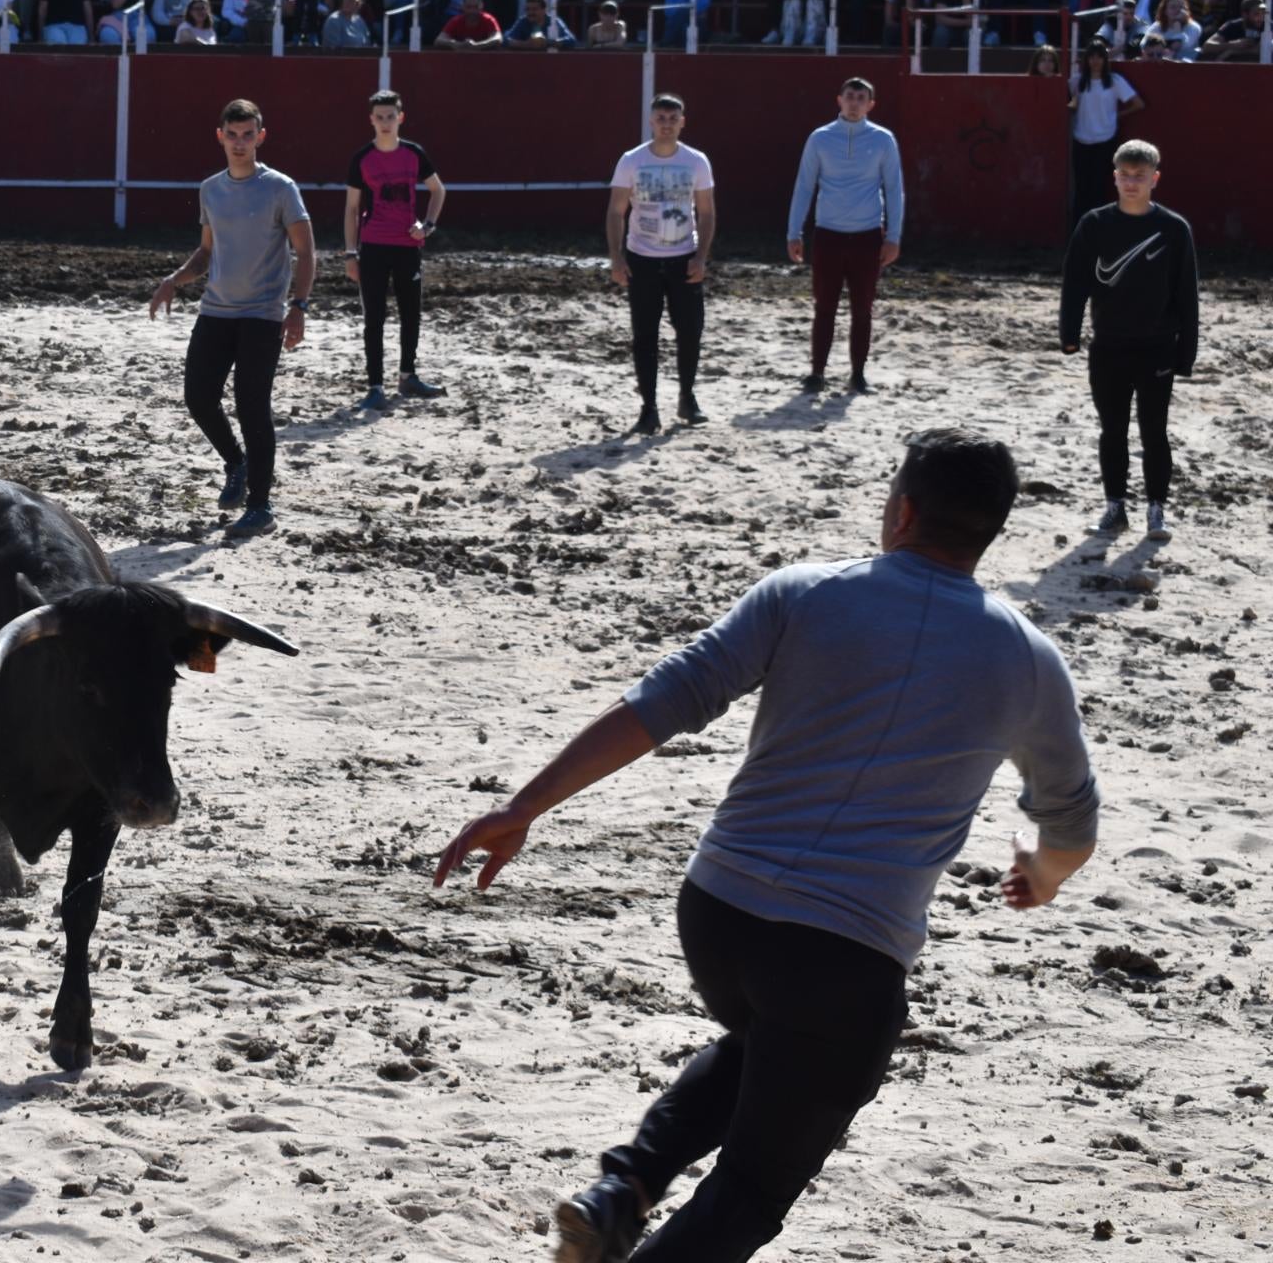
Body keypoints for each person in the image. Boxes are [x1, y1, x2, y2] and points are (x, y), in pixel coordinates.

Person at [434, 425, 1099, 1263]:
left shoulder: (805, 594)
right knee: (755, 1183)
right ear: (993, 531)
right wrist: (1042, 874)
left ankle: (622, 1191)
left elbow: (665, 701)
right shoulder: (1031, 661)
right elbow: (1072, 819)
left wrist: (526, 805)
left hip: (720, 915)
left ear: (899, 511)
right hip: (847, 955)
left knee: (762, 1046)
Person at [147, 99, 312, 538]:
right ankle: (236, 462)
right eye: (233, 135)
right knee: (198, 397)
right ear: (220, 136)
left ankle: (260, 505)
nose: (240, 143)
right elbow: (206, 252)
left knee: (252, 407)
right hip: (215, 311)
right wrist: (174, 280)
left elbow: (306, 250)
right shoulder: (211, 189)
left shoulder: (280, 188)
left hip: (262, 315)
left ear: (261, 136)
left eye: (248, 134)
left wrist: (299, 306)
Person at [1059, 140, 1197, 544]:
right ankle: (1115, 507)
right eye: (1125, 176)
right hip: (1109, 346)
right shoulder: (1095, 225)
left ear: (1155, 179)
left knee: (1155, 430)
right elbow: (1075, 283)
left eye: (1140, 177)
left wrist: (1185, 354)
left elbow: (1187, 295)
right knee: (1112, 429)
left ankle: (1157, 509)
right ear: (1114, 177)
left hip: (1158, 347)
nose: (1132, 183)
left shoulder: (1173, 229)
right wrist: (1069, 334)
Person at [787, 77, 904, 395]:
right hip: (828, 233)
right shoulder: (821, 138)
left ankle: (858, 373)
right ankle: (817, 372)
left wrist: (894, 236)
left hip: (867, 234)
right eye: (849, 97)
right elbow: (804, 185)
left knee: (862, 308)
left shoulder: (883, 140)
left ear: (871, 104)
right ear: (839, 100)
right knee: (824, 306)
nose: (854, 103)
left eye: (861, 97)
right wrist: (794, 231)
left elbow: (894, 189)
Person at [608, 94, 717, 434]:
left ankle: (687, 397)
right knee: (645, 335)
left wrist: (701, 257)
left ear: (683, 121)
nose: (667, 123)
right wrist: (616, 257)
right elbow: (616, 211)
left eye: (673, 118)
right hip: (642, 258)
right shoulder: (631, 160)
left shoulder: (696, 161)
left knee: (689, 331)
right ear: (651, 121)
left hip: (683, 258)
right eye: (661, 117)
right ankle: (649, 407)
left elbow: (707, 211)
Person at [341, 90, 447, 409]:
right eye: (380, 117)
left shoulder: (414, 153)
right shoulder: (362, 158)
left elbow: (438, 191)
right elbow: (351, 209)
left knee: (410, 314)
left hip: (407, 247)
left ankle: (407, 376)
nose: (385, 122)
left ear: (400, 118)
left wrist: (427, 225)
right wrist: (350, 253)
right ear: (371, 120)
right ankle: (375, 386)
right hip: (372, 247)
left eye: (391, 116)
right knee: (374, 318)